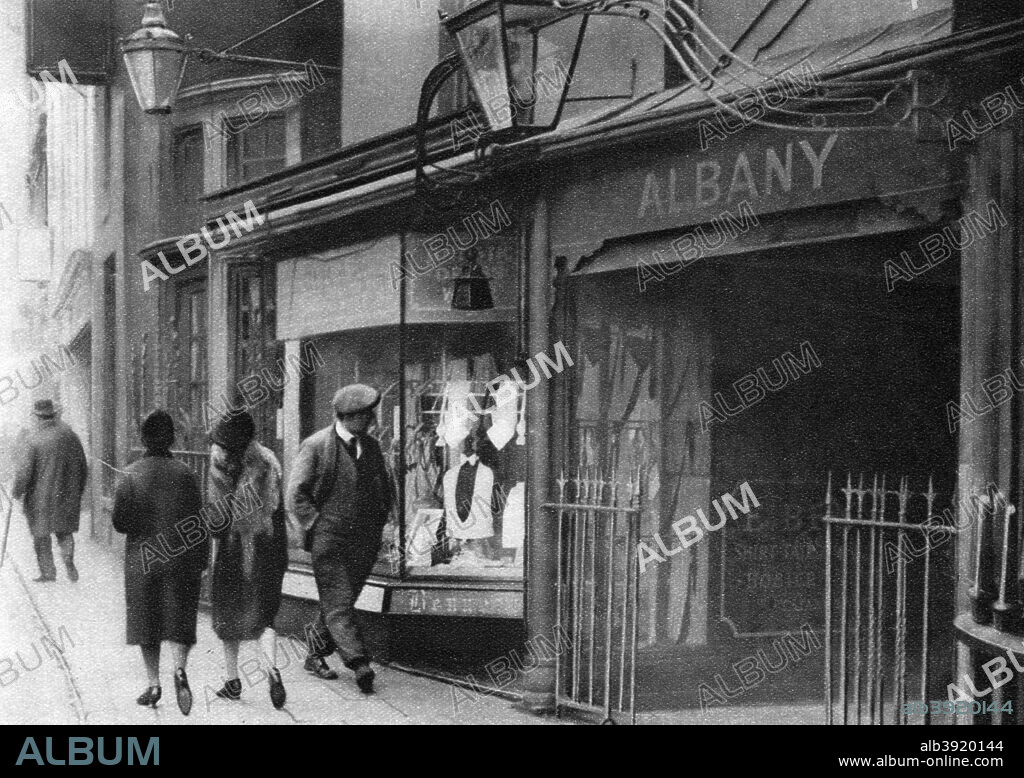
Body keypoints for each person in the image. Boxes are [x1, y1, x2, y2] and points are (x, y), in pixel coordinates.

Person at [286, 384, 395, 694]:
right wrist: (316, 524)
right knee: (338, 601)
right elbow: (296, 493)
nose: (372, 420)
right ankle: (359, 663)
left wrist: (384, 523)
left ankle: (314, 653)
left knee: (341, 601)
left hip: (364, 541)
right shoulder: (317, 445)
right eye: (367, 415)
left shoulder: (370, 446)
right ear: (350, 416)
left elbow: (382, 488)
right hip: (329, 538)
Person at [112, 410, 208, 716]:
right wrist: (202, 559)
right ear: (172, 439)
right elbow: (199, 522)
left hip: (144, 559)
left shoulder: (130, 474)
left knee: (147, 621)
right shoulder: (187, 474)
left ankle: (153, 684)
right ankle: (179, 669)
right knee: (180, 618)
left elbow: (120, 523)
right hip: (181, 557)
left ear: (143, 439)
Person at [207, 409, 288, 709]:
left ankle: (232, 681)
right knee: (264, 613)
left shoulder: (220, 463)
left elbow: (217, 519)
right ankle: (272, 669)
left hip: (233, 549)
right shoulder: (269, 460)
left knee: (228, 613)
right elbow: (278, 509)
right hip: (268, 546)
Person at [12, 400, 88, 583]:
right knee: (64, 531)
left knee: (41, 535)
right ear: (53, 415)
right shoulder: (70, 436)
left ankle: (48, 572)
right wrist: (78, 490)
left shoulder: (33, 439)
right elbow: (83, 466)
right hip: (67, 495)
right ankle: (68, 559)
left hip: (40, 498)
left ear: (37, 417)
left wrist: (17, 491)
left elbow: (24, 472)